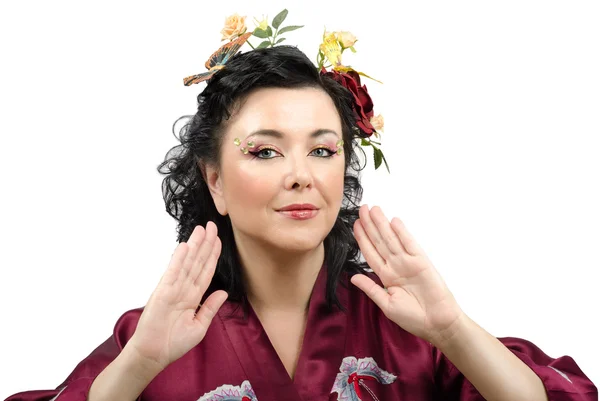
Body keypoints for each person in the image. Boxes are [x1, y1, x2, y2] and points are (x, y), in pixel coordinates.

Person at [5, 12, 597, 401]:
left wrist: (451, 328)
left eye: (321, 149)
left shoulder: (408, 327)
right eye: (264, 152)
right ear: (214, 181)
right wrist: (137, 366)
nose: (300, 176)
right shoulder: (155, 335)